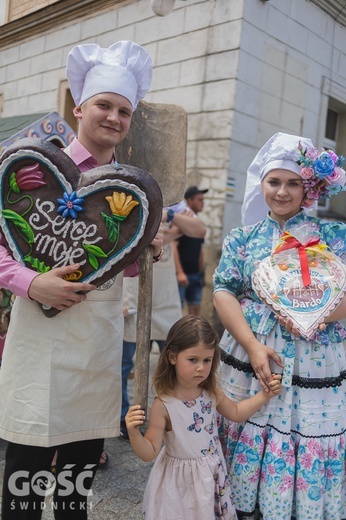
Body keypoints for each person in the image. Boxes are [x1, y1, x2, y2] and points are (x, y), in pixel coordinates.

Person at [0, 40, 163, 519]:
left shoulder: (130, 191)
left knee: (76, 485)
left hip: (95, 344)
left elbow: (123, 267)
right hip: (39, 336)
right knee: (24, 483)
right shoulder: (31, 169)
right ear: (79, 107)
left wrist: (147, 249)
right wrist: (30, 283)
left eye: (124, 111)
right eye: (104, 106)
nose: (113, 117)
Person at [213, 132, 346, 519]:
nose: (282, 192)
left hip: (317, 357)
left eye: (293, 183)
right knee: (247, 422)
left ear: (309, 189)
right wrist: (253, 346)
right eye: (274, 182)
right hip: (252, 352)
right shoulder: (244, 239)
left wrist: (317, 312)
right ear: (262, 184)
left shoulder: (336, 237)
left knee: (308, 431)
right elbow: (224, 290)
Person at [125, 314, 282, 519]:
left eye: (207, 360)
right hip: (179, 485)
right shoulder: (164, 405)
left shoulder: (210, 391)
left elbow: (236, 413)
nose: (201, 367)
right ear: (172, 357)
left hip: (211, 476)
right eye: (193, 360)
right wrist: (134, 433)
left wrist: (264, 395)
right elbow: (149, 452)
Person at [120, 203, 206, 440]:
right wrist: (175, 231)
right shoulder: (131, 196)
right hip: (132, 291)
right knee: (124, 363)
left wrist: (169, 215)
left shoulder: (175, 202)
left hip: (166, 296)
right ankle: (122, 418)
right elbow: (134, 239)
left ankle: (173, 415)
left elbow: (199, 230)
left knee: (174, 361)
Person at [174, 185, 208, 315]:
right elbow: (174, 247)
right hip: (182, 275)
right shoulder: (181, 220)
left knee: (195, 311)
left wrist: (201, 273)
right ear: (189, 201)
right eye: (199, 199)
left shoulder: (198, 223)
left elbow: (200, 250)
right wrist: (180, 272)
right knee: (178, 310)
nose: (202, 203)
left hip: (195, 275)